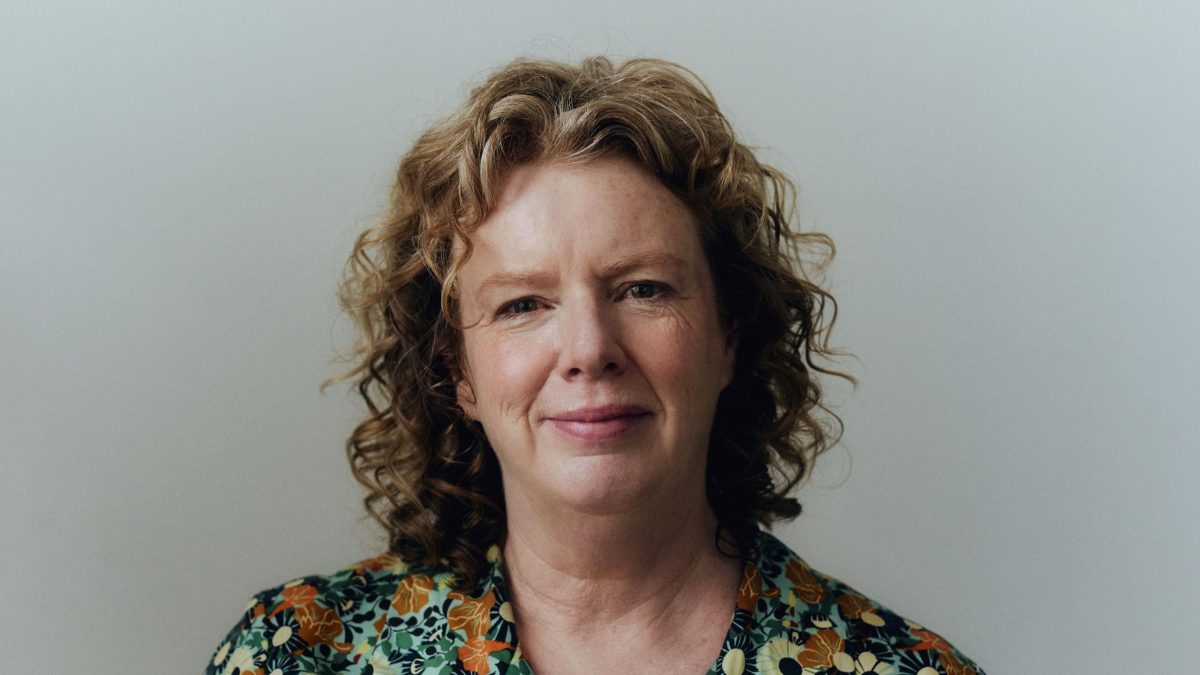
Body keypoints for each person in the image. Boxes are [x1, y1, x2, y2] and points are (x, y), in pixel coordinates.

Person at [205, 56, 984, 675]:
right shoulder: (300, 655)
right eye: (522, 304)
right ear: (457, 372)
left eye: (642, 289)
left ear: (731, 335)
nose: (588, 349)